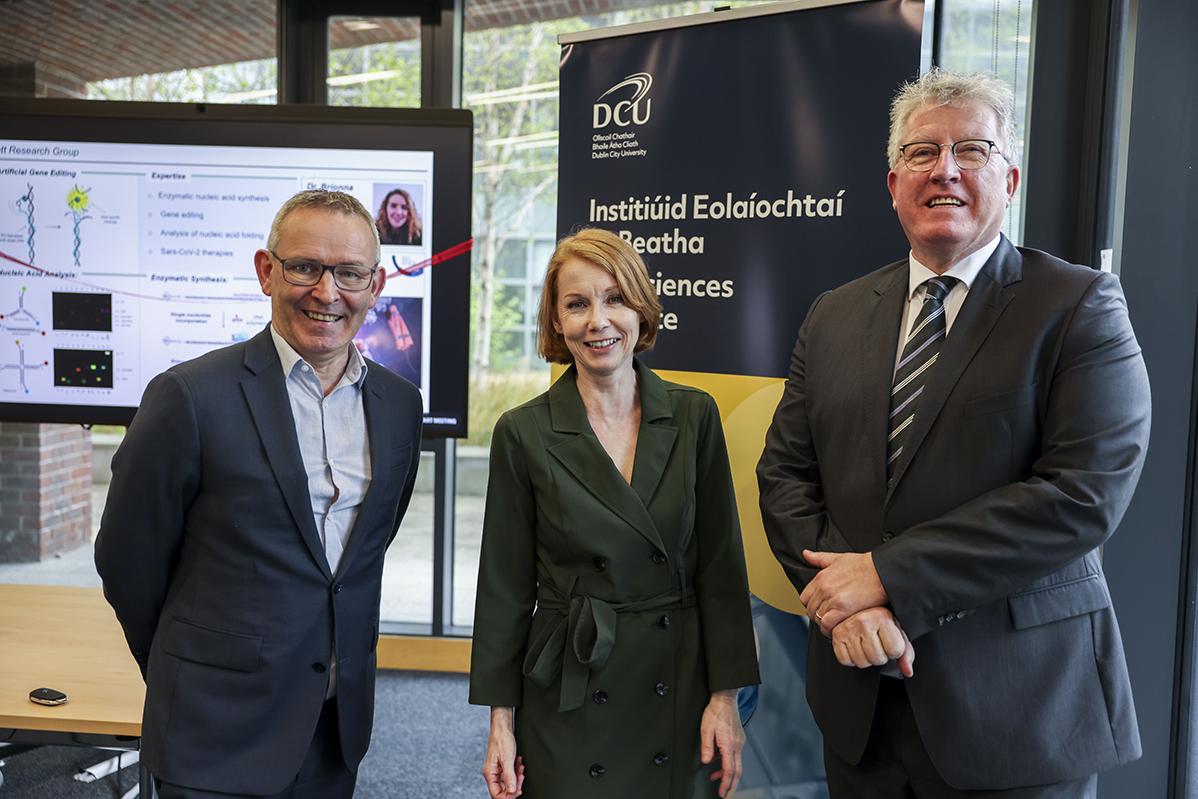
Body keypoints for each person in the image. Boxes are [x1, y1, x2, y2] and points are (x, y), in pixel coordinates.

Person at [757, 68, 1150, 798]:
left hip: (1018, 715)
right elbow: (784, 475)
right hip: (861, 700)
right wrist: (843, 601)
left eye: (972, 150)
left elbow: (1080, 493)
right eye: (922, 152)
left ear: (1011, 178)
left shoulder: (1078, 307)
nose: (945, 169)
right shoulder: (833, 314)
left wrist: (887, 576)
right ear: (892, 182)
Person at [95, 190, 423, 798]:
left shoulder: (400, 406)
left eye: (349, 273)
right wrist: (185, 672)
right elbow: (126, 561)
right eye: (305, 267)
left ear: (375, 284)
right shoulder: (189, 398)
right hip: (213, 731)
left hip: (333, 727)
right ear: (266, 271)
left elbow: (359, 559)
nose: (327, 293)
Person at [469, 228, 760, 799]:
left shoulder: (694, 416)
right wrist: (500, 723)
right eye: (577, 304)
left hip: (675, 684)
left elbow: (721, 571)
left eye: (615, 298)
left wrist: (725, 700)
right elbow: (503, 588)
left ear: (641, 308)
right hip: (569, 691)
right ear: (556, 321)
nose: (598, 321)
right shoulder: (522, 433)